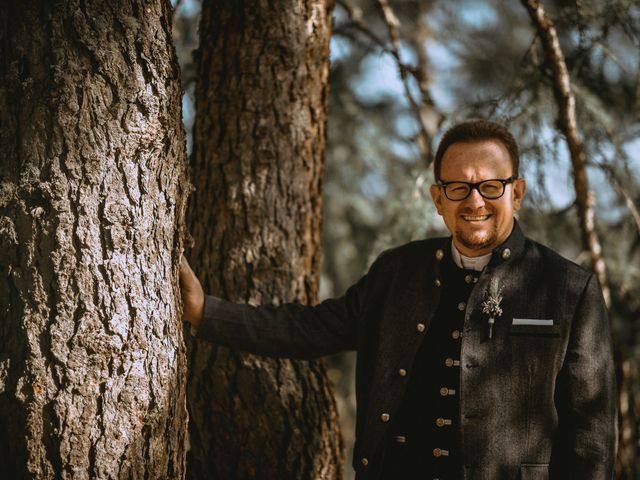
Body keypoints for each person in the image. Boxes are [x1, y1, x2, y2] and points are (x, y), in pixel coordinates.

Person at [179, 120, 617, 479]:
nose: (475, 201)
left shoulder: (568, 287)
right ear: (437, 199)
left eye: (491, 186)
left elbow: (591, 436)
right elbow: (311, 328)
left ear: (516, 194)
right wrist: (207, 313)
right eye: (459, 188)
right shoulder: (397, 272)